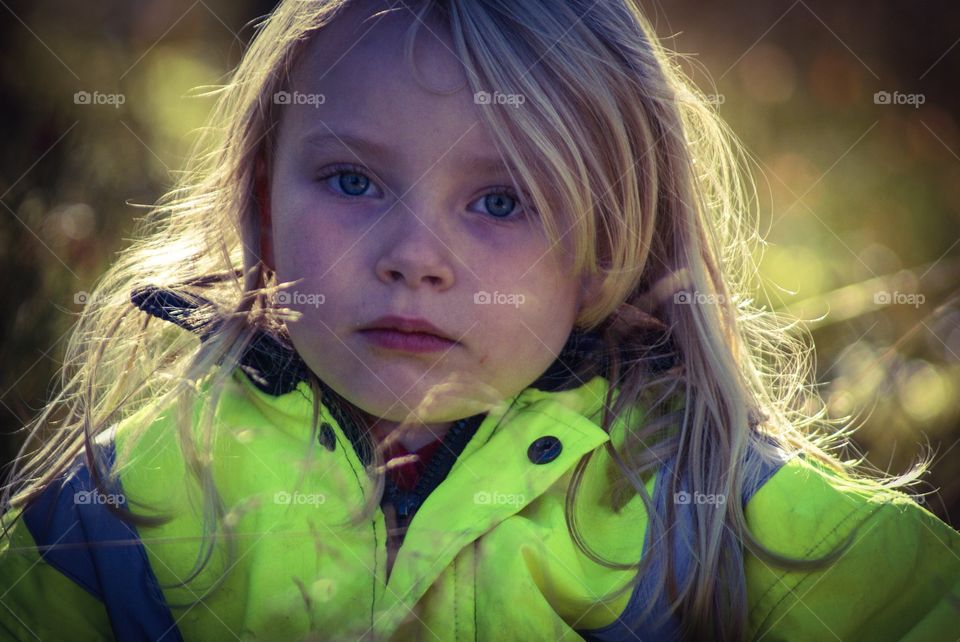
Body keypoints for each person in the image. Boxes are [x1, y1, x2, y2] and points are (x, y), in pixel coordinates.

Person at [2, 0, 958, 640]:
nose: (414, 255)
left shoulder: (692, 503)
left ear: (605, 246)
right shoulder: (136, 501)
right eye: (350, 179)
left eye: (501, 202)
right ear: (261, 205)